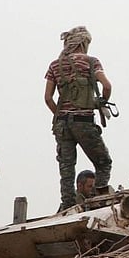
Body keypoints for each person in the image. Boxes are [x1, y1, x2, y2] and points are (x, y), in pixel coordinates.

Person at [44, 26, 113, 211]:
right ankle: (98, 200)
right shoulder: (91, 62)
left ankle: (68, 206)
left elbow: (48, 98)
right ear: (84, 43)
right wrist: (101, 102)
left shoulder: (55, 65)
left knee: (66, 168)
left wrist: (60, 116)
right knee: (103, 162)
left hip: (62, 125)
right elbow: (106, 85)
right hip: (84, 122)